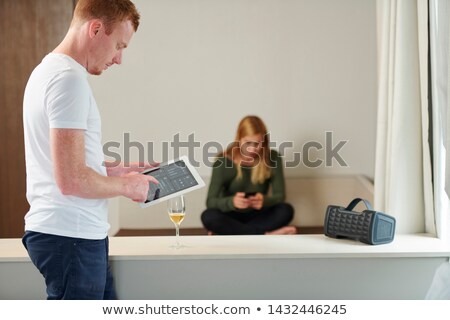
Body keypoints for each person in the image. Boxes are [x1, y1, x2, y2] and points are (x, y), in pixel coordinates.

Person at [22, 0, 157, 300]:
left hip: (72, 237)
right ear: (96, 29)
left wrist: (115, 170)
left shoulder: (48, 72)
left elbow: (64, 162)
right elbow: (71, 179)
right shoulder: (69, 81)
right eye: (119, 45)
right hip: (72, 238)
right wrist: (127, 186)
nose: (119, 59)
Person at [201, 115, 296, 235]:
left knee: (286, 210)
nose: (252, 149)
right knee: (209, 216)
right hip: (232, 214)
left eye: (257, 144)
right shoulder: (223, 161)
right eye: (247, 143)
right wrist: (232, 202)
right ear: (239, 139)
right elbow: (211, 201)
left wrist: (265, 201)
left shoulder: (273, 158)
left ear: (264, 141)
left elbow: (280, 195)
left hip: (259, 214)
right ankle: (265, 235)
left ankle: (231, 233)